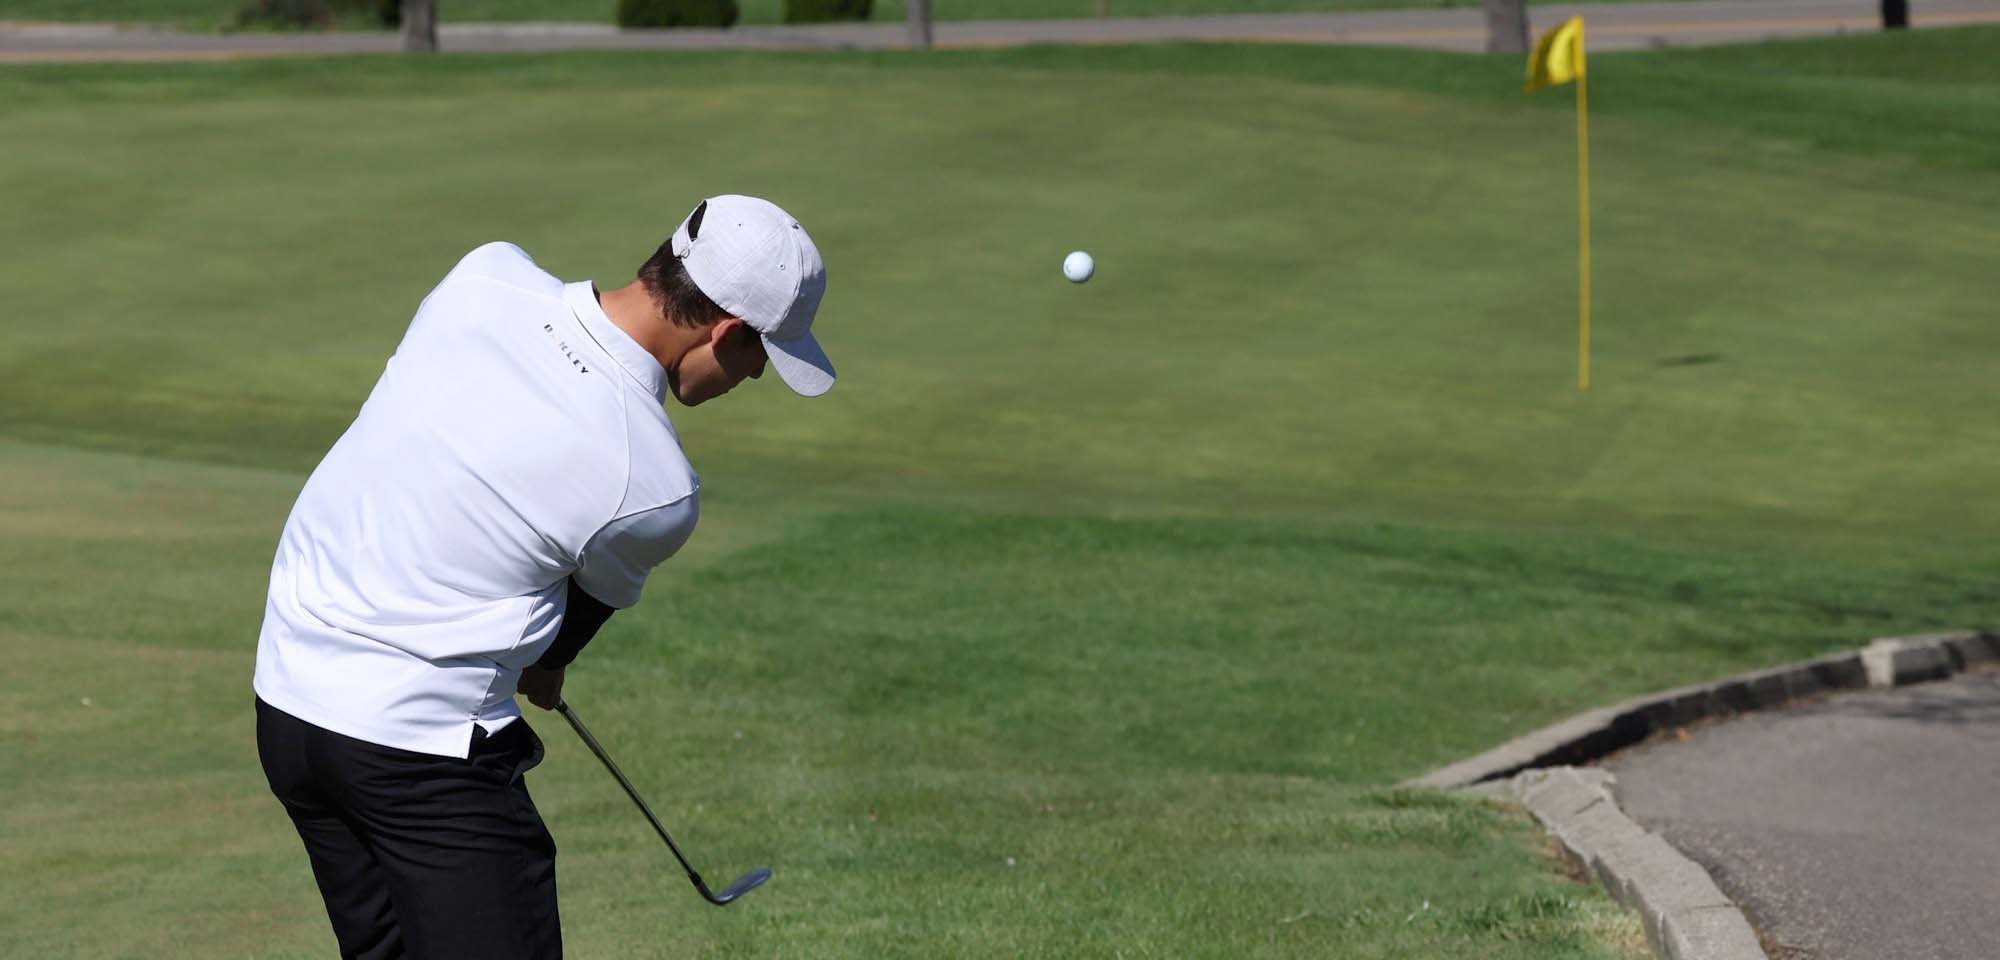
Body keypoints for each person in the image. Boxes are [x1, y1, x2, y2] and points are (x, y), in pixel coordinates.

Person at [252, 195, 832, 959]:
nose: (755, 374)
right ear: (724, 330)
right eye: (762, 354)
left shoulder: (485, 275)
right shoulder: (655, 482)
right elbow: (555, 645)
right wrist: (548, 665)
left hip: (289, 706)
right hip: (417, 752)